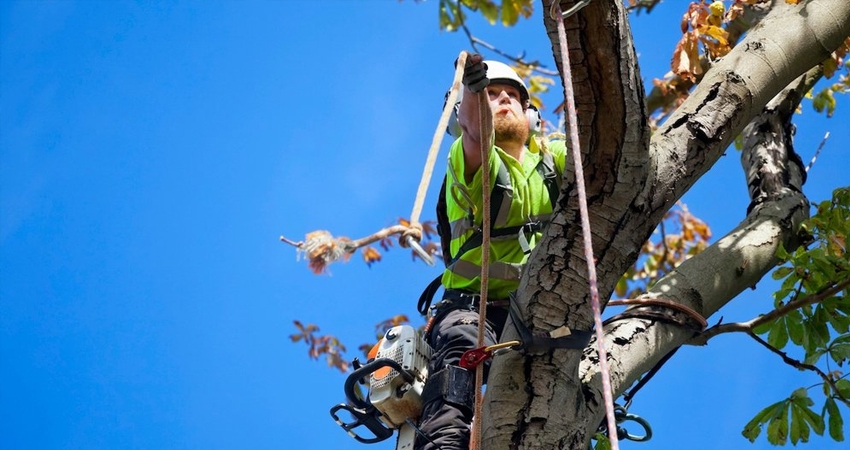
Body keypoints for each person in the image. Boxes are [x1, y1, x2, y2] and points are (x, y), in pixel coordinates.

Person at [414, 54, 567, 450]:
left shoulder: (551, 160)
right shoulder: (466, 159)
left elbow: (603, 156)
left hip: (537, 315)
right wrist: (472, 88)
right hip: (472, 309)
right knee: (461, 365)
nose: (501, 99)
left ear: (530, 114)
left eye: (511, 95)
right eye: (492, 93)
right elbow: (475, 129)